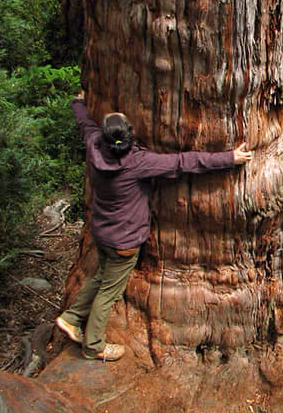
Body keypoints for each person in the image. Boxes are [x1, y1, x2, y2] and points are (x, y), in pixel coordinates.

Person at [56, 91, 253, 361]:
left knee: (103, 276)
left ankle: (71, 318)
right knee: (109, 292)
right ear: (129, 136)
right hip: (124, 242)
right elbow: (184, 162)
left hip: (102, 232)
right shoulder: (138, 163)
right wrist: (230, 158)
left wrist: (78, 103)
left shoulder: (94, 145)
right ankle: (94, 346)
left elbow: (84, 123)